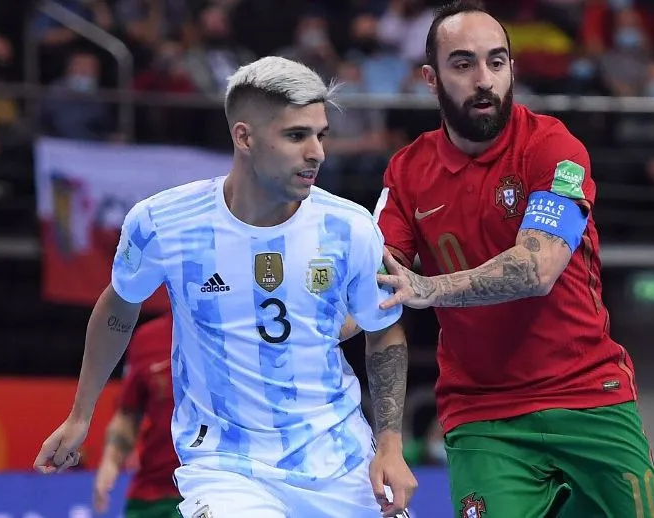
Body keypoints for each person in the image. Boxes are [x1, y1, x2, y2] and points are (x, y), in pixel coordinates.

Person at [33, 56, 417, 518]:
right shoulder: (162, 222)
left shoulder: (350, 227)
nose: (316, 151)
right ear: (244, 137)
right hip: (226, 468)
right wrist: (81, 416)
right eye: (296, 135)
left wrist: (391, 446)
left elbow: (384, 328)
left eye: (321, 134)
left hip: (342, 462)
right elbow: (119, 307)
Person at [373, 2, 654, 516]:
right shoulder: (406, 172)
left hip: (589, 393)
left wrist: (429, 288)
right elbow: (377, 292)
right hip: (484, 413)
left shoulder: (554, 147)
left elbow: (538, 268)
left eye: (497, 62)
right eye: (463, 64)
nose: (483, 79)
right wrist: (389, 441)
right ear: (430, 77)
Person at [93, 312, 182, 518]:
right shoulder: (147, 339)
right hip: (154, 496)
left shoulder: (239, 335)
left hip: (222, 487)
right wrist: (110, 461)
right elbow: (129, 413)